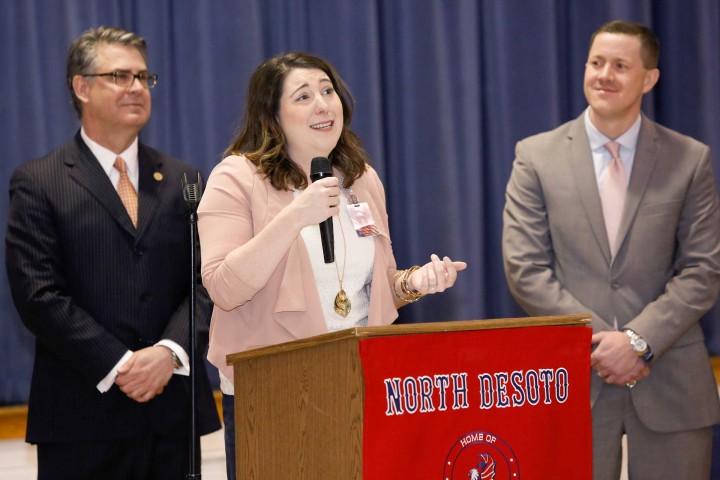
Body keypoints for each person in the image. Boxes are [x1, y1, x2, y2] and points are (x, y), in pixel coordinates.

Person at [197, 51, 467, 479]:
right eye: (303, 96)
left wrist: (416, 281)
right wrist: (295, 217)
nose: (323, 104)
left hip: (360, 384)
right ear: (273, 114)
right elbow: (223, 288)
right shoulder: (236, 178)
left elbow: (377, 287)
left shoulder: (361, 179)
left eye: (328, 91)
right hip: (274, 394)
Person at [502, 20, 720, 479]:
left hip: (672, 386)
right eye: (596, 62)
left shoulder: (690, 159)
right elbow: (526, 270)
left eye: (621, 66)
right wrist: (605, 344)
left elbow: (702, 270)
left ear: (649, 78)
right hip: (570, 383)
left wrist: (639, 343)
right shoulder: (535, 156)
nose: (604, 75)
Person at [5, 26, 220, 479]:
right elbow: (39, 295)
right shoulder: (40, 181)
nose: (137, 88)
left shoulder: (184, 179)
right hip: (81, 415)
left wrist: (168, 353)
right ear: (81, 87)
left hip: (172, 414)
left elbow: (206, 281)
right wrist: (121, 365)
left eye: (144, 77)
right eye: (120, 76)